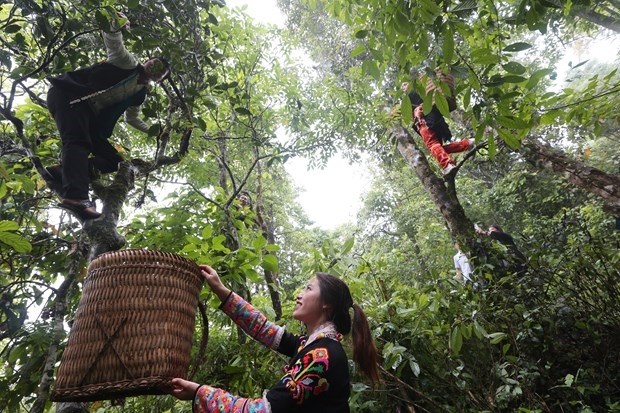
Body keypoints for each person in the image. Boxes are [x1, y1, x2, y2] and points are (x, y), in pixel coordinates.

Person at [166, 265, 380, 412]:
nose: (299, 294)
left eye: (308, 288)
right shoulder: (311, 345)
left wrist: (199, 392)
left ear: (327, 303)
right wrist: (221, 291)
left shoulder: (321, 356)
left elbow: (261, 410)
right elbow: (263, 329)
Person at [45, 14, 171, 221]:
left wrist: (155, 132)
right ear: (147, 62)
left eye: (161, 72)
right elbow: (113, 41)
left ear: (160, 79)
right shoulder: (127, 63)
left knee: (116, 162)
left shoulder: (140, 93)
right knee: (77, 142)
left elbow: (132, 119)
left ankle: (64, 170)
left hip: (87, 115)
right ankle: (76, 197)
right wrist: (117, 23)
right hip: (68, 95)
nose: (155, 69)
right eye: (154, 63)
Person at [401, 68, 472, 175]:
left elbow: (409, 108)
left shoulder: (413, 93)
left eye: (404, 85)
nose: (403, 87)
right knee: (437, 148)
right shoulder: (423, 93)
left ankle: (447, 164)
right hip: (436, 121)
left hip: (424, 122)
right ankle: (467, 144)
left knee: (433, 145)